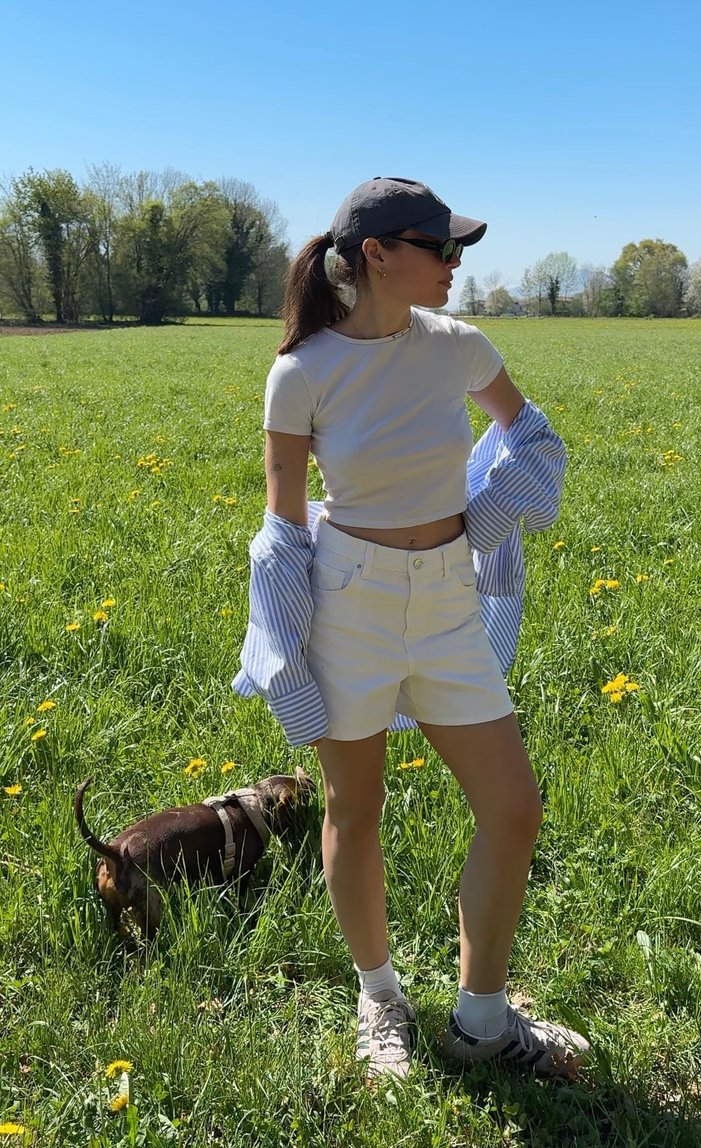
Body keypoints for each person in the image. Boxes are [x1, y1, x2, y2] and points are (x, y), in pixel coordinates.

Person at [233, 177, 590, 1081]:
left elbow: (530, 435)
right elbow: (281, 527)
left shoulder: (460, 346)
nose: (456, 266)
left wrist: (496, 508)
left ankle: (480, 1021)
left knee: (513, 807)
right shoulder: (300, 371)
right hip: (348, 600)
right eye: (442, 248)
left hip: (444, 602)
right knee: (355, 807)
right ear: (377, 257)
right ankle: (380, 997)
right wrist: (284, 652)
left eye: (460, 249)